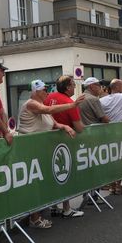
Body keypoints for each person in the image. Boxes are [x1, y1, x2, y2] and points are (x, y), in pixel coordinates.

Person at [18, 79, 84, 227]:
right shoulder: (31, 103)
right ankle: (34, 218)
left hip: (40, 149)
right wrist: (72, 105)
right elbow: (48, 111)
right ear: (35, 92)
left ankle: (43, 212)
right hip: (29, 150)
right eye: (43, 90)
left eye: (47, 89)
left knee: (42, 182)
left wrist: (64, 127)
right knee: (34, 184)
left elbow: (53, 122)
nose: (46, 92)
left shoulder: (42, 104)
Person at [45, 75, 85, 218]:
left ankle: (54, 207)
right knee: (64, 175)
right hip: (64, 143)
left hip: (45, 142)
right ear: (68, 87)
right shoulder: (69, 102)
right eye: (73, 85)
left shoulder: (48, 97)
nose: (75, 87)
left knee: (51, 176)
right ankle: (67, 209)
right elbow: (79, 128)